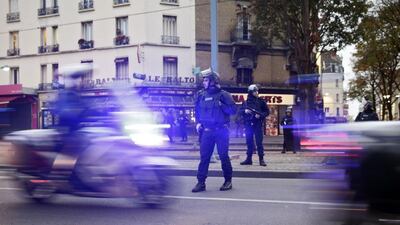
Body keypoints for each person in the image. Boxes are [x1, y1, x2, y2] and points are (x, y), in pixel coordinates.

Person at [192, 68, 237, 192]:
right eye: (204, 80)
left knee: (223, 156)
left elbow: (233, 111)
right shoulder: (201, 95)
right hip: (206, 131)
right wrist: (198, 123)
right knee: (204, 157)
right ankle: (201, 183)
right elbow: (196, 111)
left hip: (221, 130)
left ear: (212, 81)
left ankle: (228, 181)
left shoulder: (224, 95)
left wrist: (223, 106)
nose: (204, 82)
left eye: (206, 80)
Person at [240, 84, 269, 167]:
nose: (257, 93)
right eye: (255, 91)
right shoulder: (245, 102)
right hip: (248, 124)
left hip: (257, 124)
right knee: (249, 142)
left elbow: (267, 112)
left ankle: (261, 159)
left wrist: (260, 115)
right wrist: (245, 111)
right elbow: (240, 112)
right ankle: (249, 159)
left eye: (257, 91)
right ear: (250, 92)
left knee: (259, 142)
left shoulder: (261, 101)